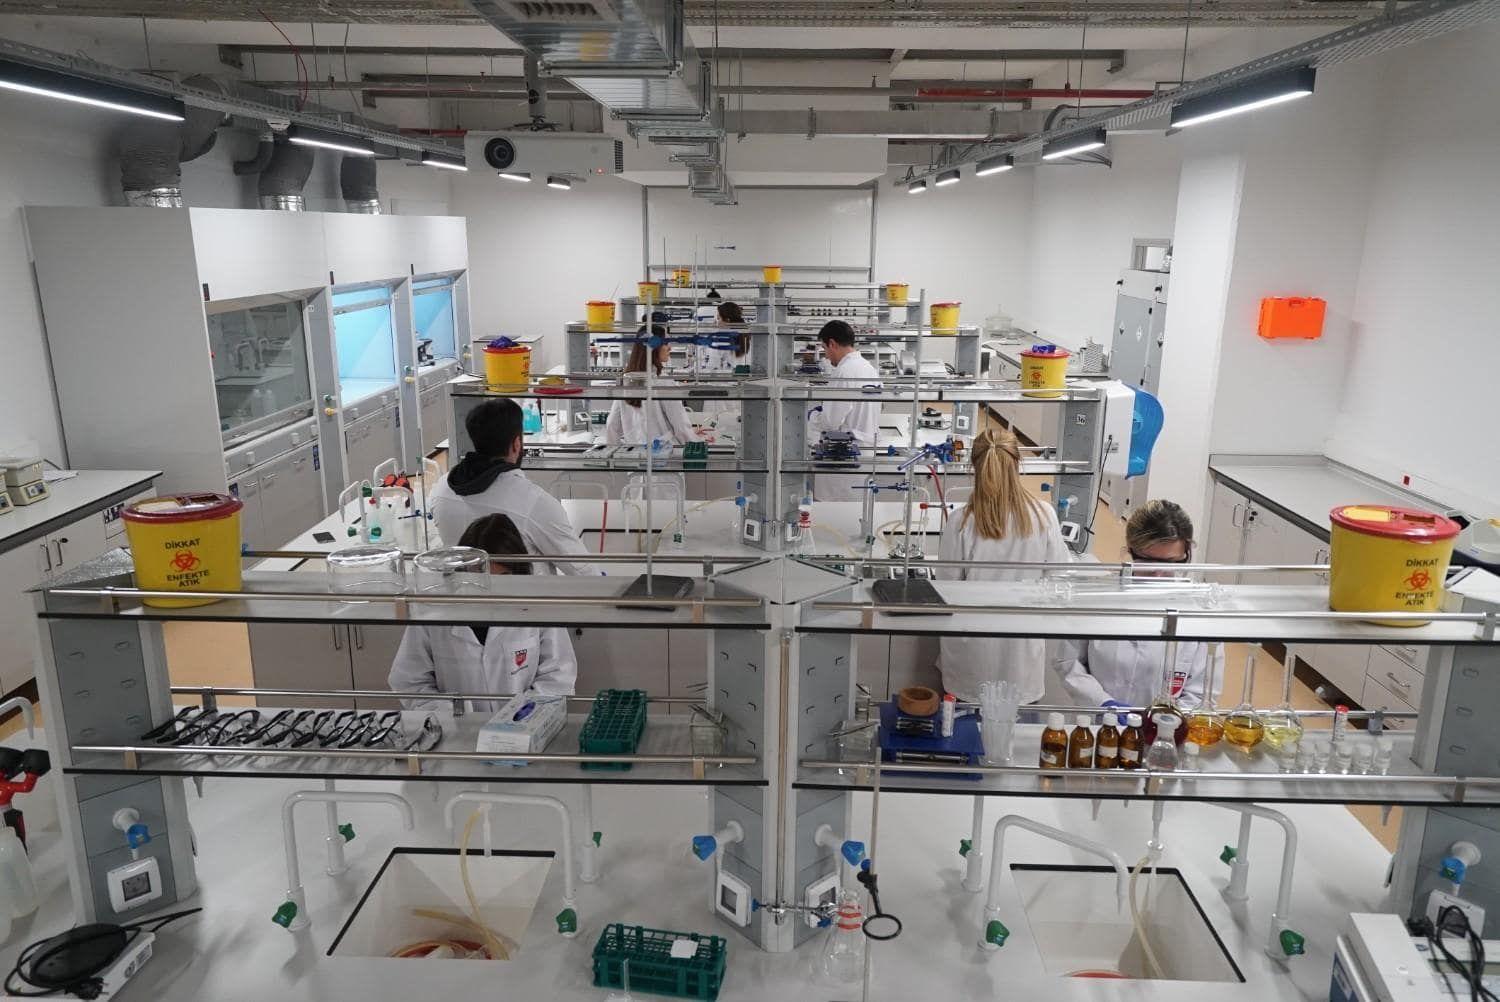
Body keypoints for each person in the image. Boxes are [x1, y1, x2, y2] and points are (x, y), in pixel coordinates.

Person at [935, 427, 1074, 703]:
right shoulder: (1044, 515)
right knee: (1017, 727)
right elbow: (1060, 576)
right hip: (1020, 655)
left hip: (971, 655)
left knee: (963, 727)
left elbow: (945, 589)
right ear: (1018, 464)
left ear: (974, 467)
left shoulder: (962, 521)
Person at [388, 513, 577, 713]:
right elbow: (408, 681)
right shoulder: (434, 609)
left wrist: (520, 717)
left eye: (502, 577)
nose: (490, 589)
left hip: (525, 726)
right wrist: (454, 715)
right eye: (479, 577)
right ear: (461, 572)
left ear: (518, 574)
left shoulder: (537, 606)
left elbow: (559, 676)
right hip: (456, 729)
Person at [1052, 499, 1224, 709]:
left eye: (1171, 563)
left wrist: (1165, 720)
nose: (1158, 574)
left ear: (1185, 554)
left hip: (1168, 725)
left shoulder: (1200, 611)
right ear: (1131, 550)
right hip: (1099, 720)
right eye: (1148, 562)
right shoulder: (1097, 597)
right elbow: (1068, 661)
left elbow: (1202, 692)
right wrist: (1103, 703)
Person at [429, 398, 598, 575]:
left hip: (466, 590)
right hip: (520, 592)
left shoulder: (441, 489)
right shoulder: (534, 502)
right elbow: (584, 573)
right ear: (516, 444)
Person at [807, 320, 881, 501]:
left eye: (825, 348)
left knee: (833, 513)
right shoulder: (869, 368)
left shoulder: (844, 371)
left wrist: (812, 415)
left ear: (832, 343)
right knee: (858, 510)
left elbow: (830, 423)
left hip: (843, 457)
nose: (826, 356)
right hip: (865, 453)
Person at [603, 333, 702, 447]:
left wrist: (614, 452)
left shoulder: (627, 380)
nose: (669, 348)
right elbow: (680, 426)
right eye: (665, 343)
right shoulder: (663, 381)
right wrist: (696, 445)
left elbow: (612, 425)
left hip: (635, 452)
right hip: (663, 452)